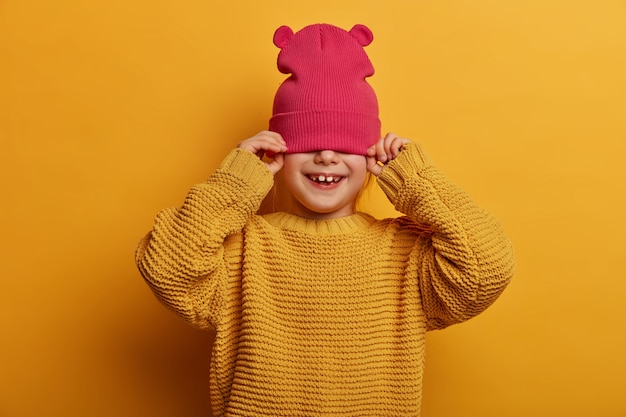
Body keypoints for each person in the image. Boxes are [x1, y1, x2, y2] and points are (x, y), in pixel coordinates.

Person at [135, 23, 515, 416]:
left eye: (344, 144)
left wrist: (419, 182)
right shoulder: (241, 250)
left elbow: (486, 268)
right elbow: (166, 268)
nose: (327, 156)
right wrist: (233, 184)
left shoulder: (405, 252)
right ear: (277, 153)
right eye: (309, 141)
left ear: (371, 158)